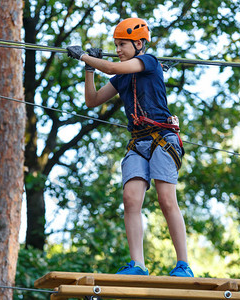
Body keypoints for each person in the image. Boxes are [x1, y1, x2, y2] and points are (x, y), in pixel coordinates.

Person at [67, 17, 193, 277]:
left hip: (161, 137)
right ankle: (138, 265)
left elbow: (113, 67)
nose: (119, 49)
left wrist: (85, 58)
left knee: (166, 199)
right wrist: (89, 69)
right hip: (138, 142)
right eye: (116, 45)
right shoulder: (121, 78)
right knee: (130, 199)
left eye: (122, 44)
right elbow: (92, 100)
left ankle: (183, 264)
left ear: (139, 44)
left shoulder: (148, 62)